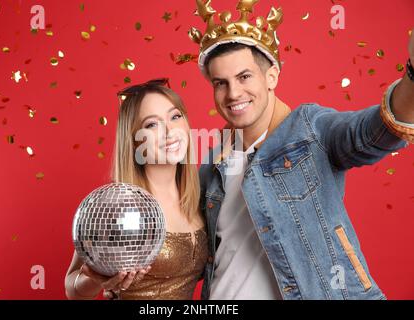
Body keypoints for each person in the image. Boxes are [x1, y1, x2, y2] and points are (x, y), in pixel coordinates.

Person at [189, 0, 414, 299]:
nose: (233, 93)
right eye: (221, 83)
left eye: (244, 77)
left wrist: (412, 74)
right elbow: (190, 252)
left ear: (272, 76)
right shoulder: (212, 164)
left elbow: (374, 132)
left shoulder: (310, 129)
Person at [65, 79, 207, 300]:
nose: (170, 131)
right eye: (152, 124)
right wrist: (96, 279)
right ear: (134, 141)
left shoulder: (202, 196)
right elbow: (72, 288)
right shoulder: (116, 205)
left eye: (175, 116)